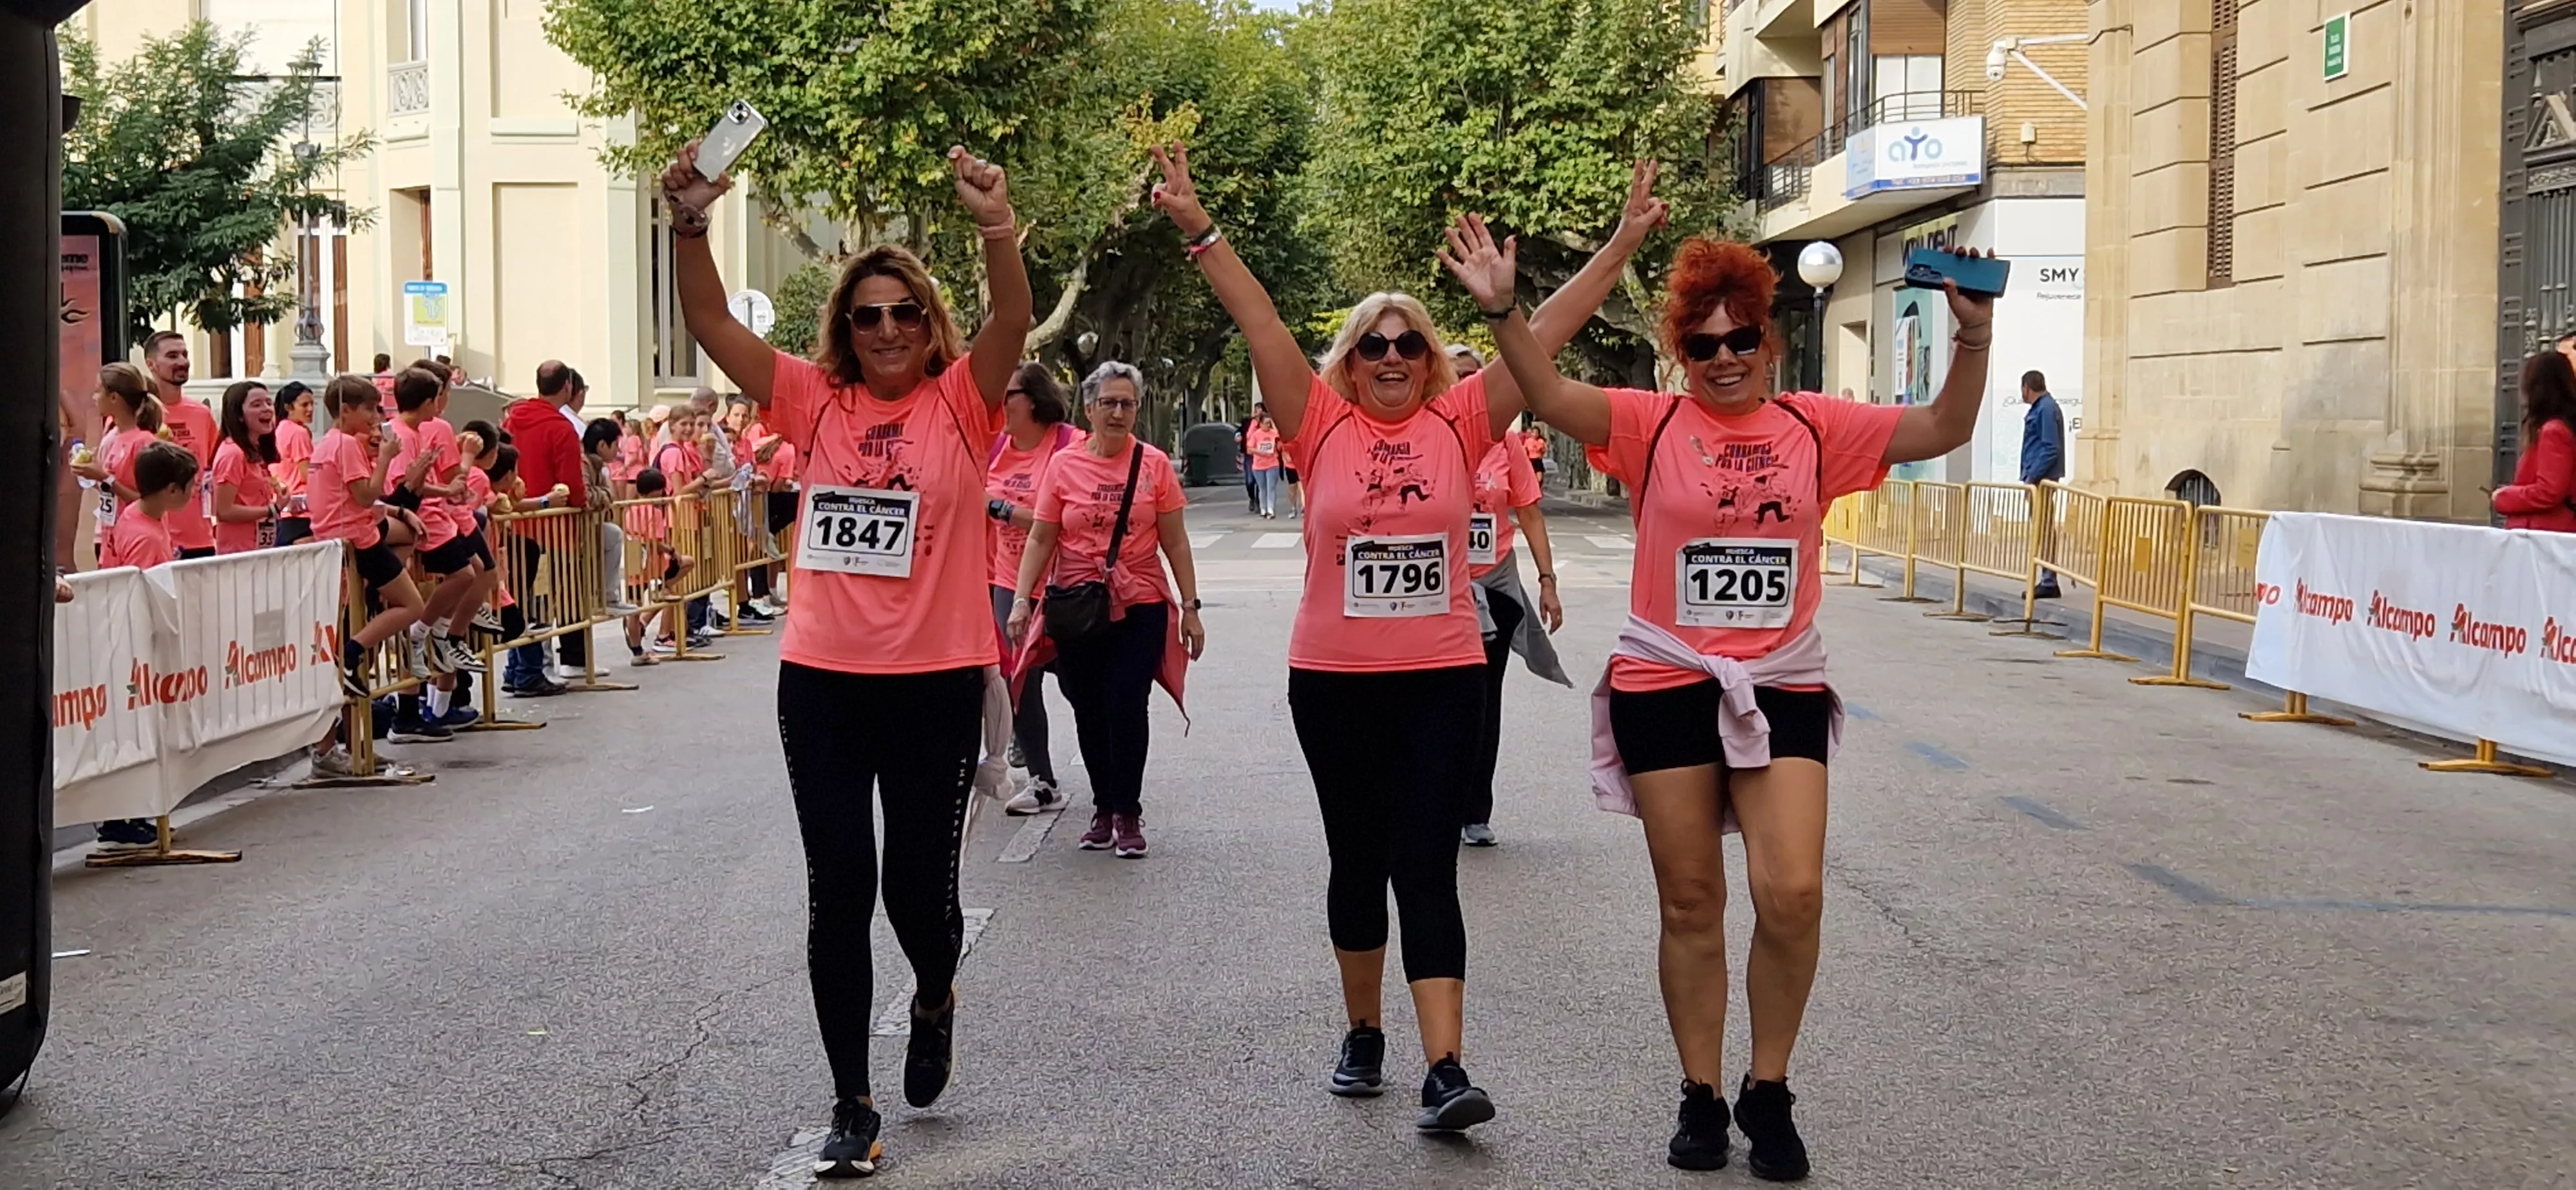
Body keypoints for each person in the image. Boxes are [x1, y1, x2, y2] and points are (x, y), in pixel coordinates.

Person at [1475, 212, 1996, 1177]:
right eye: (1701, 343)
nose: (1723, 358)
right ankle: (1702, 1094)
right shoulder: (1650, 422)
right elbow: (1542, 390)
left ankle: (1770, 1087)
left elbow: (1946, 425)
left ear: (1770, 338)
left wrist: (1971, 334)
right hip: (1665, 677)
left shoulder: (1816, 427)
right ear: (1682, 353)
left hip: (1781, 678)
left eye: (1740, 338)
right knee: (1690, 899)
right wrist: (1505, 310)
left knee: (1792, 893)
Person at [1150, 140, 1549, 1131]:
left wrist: (1592, 258)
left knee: (1427, 862)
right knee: (1357, 857)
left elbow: (1541, 350)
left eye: (1406, 343)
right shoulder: (1316, 422)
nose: (1388, 358)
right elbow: (1258, 316)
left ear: (1431, 361)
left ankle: (1446, 1067)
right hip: (1332, 681)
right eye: (1371, 344)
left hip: (1443, 677)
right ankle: (1363, 1031)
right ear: (1347, 362)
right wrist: (1199, 226)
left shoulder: (1464, 422)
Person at [663, 134, 1029, 1177]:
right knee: (839, 888)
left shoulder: (963, 402)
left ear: (928, 325)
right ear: (844, 326)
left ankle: (934, 991)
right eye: (866, 314)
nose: (885, 328)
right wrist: (690, 220)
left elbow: (1010, 316)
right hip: (823, 680)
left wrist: (994, 221)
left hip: (934, 681)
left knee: (919, 892)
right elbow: (708, 319)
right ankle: (849, 1103)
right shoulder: (808, 399)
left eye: (904, 312)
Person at [1005, 361, 1204, 857]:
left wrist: (1191, 607)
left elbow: (1176, 542)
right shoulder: (1065, 465)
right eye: (1109, 403)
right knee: (1088, 707)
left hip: (1140, 603)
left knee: (1126, 704)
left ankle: (1128, 811)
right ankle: (1102, 808)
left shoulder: (1154, 465)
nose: (1118, 412)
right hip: (1077, 605)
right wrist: (1022, 601)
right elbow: (1043, 536)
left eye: (1128, 403)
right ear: (1089, 409)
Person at [1445, 348, 1571, 849]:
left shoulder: (1508, 444)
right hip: (1442, 587)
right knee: (1441, 700)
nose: (1469, 387)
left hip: (1495, 583)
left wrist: (1547, 580)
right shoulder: (1430, 432)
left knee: (1483, 699)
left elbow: (1531, 513)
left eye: (1476, 378)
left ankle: (1476, 810)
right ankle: (1433, 800)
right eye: (1457, 378)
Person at [309, 374, 432, 771]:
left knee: (389, 607)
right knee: (412, 604)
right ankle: (355, 650)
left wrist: (397, 510)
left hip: (348, 537)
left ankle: (351, 743)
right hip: (354, 540)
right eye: (370, 409)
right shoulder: (344, 444)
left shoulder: (334, 444)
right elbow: (365, 495)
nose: (376, 417)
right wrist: (385, 459)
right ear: (346, 411)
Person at [983, 362, 1080, 815]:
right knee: (1018, 682)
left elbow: (1056, 520)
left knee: (1081, 683)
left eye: (1008, 396)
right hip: (1010, 579)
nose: (1000, 405)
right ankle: (1043, 780)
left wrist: (1002, 508)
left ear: (1034, 399)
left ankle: (1112, 776)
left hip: (1068, 583)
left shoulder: (1069, 446)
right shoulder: (996, 449)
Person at [499, 361, 593, 697]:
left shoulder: (514, 420)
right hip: (552, 524)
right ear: (567, 386)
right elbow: (572, 483)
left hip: (514, 520)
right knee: (544, 602)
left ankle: (516, 668)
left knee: (520, 598)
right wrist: (582, 504)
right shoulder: (560, 428)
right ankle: (528, 672)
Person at [140, 331, 220, 559]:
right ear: (151, 364)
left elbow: (209, 469)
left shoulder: (202, 414)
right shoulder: (137, 414)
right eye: (173, 356)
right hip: (155, 538)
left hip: (200, 539)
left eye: (185, 355)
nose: (182, 362)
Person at [73, 364, 161, 563]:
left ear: (114, 398)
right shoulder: (113, 436)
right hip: (110, 539)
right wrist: (91, 475)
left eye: (98, 391)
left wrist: (104, 478)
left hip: (136, 542)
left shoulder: (144, 442)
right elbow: (113, 491)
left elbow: (148, 501)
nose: (94, 397)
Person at [2495, 350, 2576, 532]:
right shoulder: (2562, 426)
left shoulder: (2554, 431)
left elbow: (2549, 491)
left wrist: (2505, 496)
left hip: (2546, 532)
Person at [622, 467, 690, 666]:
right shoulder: (654, 512)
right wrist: (671, 550)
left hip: (634, 561)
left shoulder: (629, 509)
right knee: (687, 563)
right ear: (657, 490)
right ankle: (665, 587)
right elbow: (655, 541)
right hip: (654, 565)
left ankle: (637, 651)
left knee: (634, 606)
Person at [209, 381, 283, 554]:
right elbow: (224, 510)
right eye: (256, 405)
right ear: (240, 415)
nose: (266, 409)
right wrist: (272, 510)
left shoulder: (255, 451)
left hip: (259, 549)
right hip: (239, 552)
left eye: (269, 403)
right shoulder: (233, 453)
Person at [2020, 370, 2067, 599]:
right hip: (2038, 477)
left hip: (2042, 479)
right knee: (2041, 528)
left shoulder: (2046, 409)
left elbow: (2051, 447)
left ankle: (2049, 580)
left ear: (2027, 387)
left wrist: (2033, 475)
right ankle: (2046, 578)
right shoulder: (2042, 408)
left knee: (2044, 528)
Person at [273, 381, 316, 546]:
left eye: (312, 404)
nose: (310, 409)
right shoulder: (298, 433)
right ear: (289, 407)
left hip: (286, 506)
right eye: (304, 405)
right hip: (302, 508)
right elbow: (308, 474)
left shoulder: (279, 429)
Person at [1244, 410, 1283, 517]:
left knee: (1271, 487)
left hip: (1272, 463)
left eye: (1269, 423)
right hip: (1259, 465)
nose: (1268, 425)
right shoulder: (1256, 435)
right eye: (1266, 423)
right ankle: (1263, 509)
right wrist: (1260, 452)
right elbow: (1249, 450)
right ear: (1260, 424)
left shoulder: (1273, 433)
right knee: (1262, 488)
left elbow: (1280, 439)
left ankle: (1270, 509)